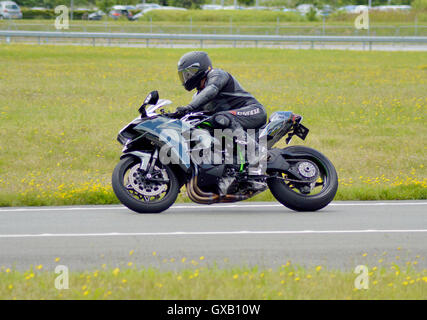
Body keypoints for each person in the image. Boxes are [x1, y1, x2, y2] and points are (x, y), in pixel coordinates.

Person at [175, 51, 267, 145]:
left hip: (254, 111)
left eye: (189, 73)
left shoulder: (217, 74)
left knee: (220, 117)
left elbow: (212, 89)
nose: (186, 78)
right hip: (233, 119)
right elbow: (193, 115)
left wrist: (189, 107)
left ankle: (254, 150)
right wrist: (175, 116)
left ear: (200, 68)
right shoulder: (198, 96)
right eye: (184, 75)